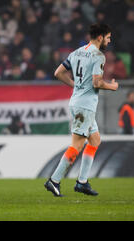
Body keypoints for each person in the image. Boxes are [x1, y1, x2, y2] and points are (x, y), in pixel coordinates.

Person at [44, 23, 118, 197]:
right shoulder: (98, 55)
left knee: (95, 140)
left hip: (80, 103)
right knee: (77, 145)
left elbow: (58, 72)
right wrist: (112, 86)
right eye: (108, 37)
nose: (109, 40)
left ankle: (82, 182)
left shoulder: (76, 52)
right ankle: (54, 180)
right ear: (100, 37)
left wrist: (75, 85)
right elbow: (97, 83)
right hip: (84, 106)